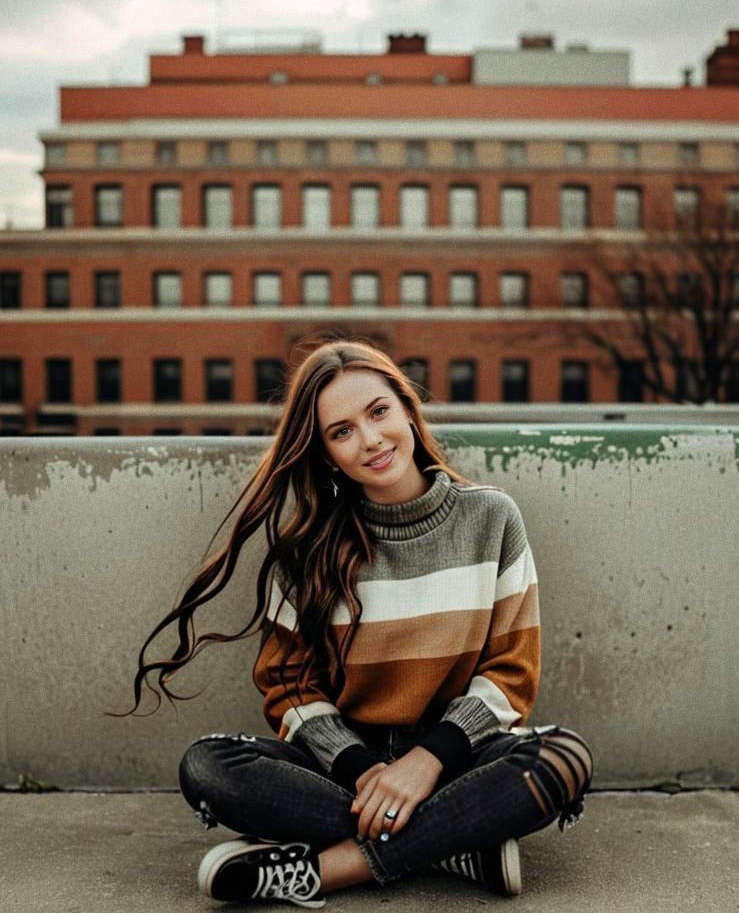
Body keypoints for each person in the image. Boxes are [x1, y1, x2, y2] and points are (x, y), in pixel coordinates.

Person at [123, 338, 593, 908]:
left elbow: (512, 671)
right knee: (210, 766)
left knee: (562, 757)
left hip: (456, 758)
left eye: (378, 412)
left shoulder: (491, 517)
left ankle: (327, 870)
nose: (370, 440)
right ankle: (454, 842)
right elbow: (288, 685)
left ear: (407, 409)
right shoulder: (309, 550)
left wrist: (426, 762)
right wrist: (367, 769)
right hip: (346, 769)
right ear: (325, 454)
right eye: (341, 431)